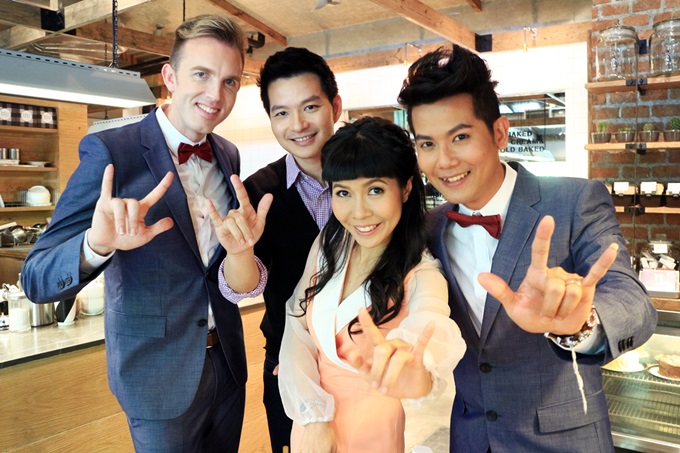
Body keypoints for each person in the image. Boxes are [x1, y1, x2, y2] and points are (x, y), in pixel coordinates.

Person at [20, 15, 271, 453]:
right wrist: (97, 244)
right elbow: (36, 277)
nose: (216, 95)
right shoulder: (111, 151)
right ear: (170, 77)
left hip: (228, 365)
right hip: (156, 380)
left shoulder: (227, 154)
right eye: (201, 74)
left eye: (230, 81)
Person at [397, 44, 657, 452]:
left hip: (564, 441)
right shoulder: (429, 228)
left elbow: (633, 302)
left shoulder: (574, 201)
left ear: (499, 132)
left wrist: (578, 323)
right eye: (427, 144)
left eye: (460, 137)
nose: (443, 161)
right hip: (471, 439)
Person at [277, 116, 466, 453]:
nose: (359, 212)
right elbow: (296, 323)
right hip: (312, 429)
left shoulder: (421, 274)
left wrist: (417, 368)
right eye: (343, 192)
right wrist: (314, 417)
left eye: (375, 190)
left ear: (405, 189)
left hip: (376, 434)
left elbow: (431, 323)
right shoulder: (330, 244)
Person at [218, 46, 342, 452]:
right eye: (282, 113)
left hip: (364, 363)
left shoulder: (371, 176)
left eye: (311, 107)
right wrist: (240, 253)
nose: (298, 125)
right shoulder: (258, 192)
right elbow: (244, 287)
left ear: (335, 106)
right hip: (288, 365)